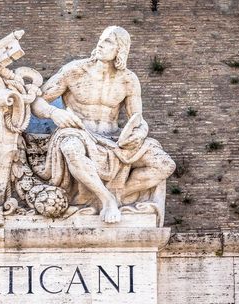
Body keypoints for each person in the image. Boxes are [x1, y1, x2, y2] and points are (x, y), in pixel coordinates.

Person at [31, 26, 175, 224]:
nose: (100, 43)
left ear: (120, 50)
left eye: (108, 41)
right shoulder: (75, 70)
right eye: (101, 39)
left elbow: (138, 119)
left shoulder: (128, 80)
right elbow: (36, 100)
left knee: (165, 165)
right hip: (78, 132)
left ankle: (118, 194)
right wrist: (53, 112)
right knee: (71, 148)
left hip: (114, 138)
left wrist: (139, 135)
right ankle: (106, 199)